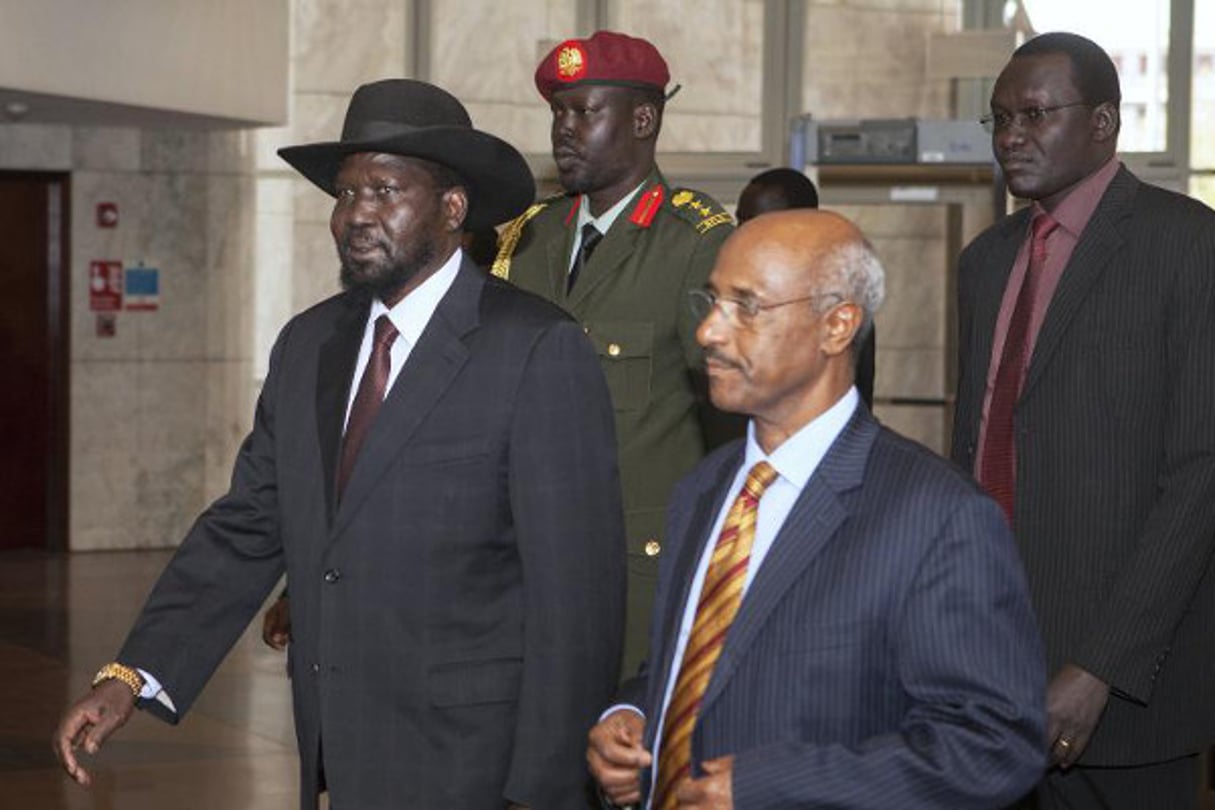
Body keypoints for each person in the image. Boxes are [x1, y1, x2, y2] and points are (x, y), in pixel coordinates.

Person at [52, 79, 626, 810]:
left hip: (475, 763)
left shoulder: (533, 349)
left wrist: (547, 788)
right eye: (346, 194)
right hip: (339, 751)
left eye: (384, 191)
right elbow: (249, 522)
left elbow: (576, 603)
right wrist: (130, 675)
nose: (356, 216)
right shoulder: (309, 344)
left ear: (452, 208)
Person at [589, 209, 1046, 809]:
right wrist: (632, 711)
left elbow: (994, 743)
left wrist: (770, 788)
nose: (708, 333)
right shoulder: (702, 490)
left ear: (836, 326)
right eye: (712, 300)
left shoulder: (937, 516)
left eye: (746, 307)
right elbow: (697, 664)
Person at [951, 32, 1215, 809]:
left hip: (1124, 686)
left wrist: (1099, 665)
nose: (1010, 138)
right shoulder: (984, 261)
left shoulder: (1186, 245)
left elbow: (1200, 472)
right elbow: (974, 451)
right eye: (998, 119)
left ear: (1102, 122)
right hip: (985, 666)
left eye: (1034, 115)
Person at [491, 30, 737, 676]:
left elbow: (730, 420)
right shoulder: (528, 238)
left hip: (634, 578)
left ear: (643, 119)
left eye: (583, 112)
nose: (563, 130)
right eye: (556, 113)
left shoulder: (694, 244)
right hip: (525, 569)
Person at [735, 166, 876, 409]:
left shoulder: (839, 307)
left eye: (757, 223)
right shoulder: (732, 294)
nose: (742, 233)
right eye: (740, 220)